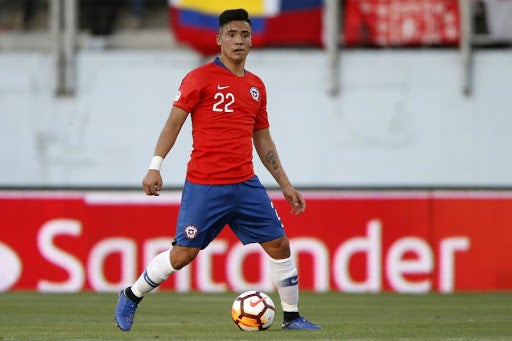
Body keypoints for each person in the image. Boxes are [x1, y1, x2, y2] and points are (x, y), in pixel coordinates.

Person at [114, 8, 321, 332]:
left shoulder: (256, 86)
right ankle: (131, 294)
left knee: (280, 245)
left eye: (245, 35)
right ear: (219, 39)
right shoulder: (200, 78)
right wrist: (155, 167)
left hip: (246, 184)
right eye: (232, 34)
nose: (239, 40)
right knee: (182, 255)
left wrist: (285, 183)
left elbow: (263, 138)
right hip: (206, 184)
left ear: (251, 41)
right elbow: (173, 124)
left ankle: (292, 317)